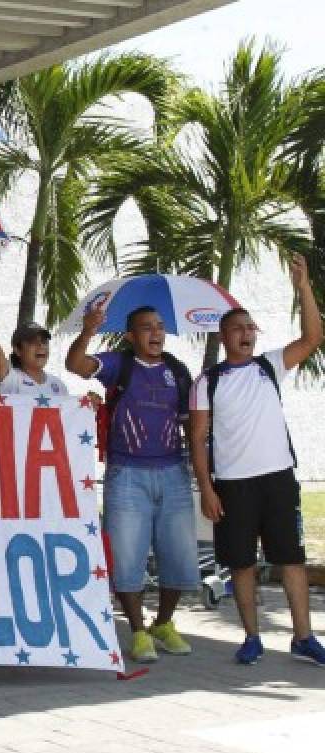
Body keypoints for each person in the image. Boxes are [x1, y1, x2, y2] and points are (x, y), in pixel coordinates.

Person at [191, 254, 325, 666]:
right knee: (242, 564)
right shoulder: (207, 383)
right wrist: (208, 490)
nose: (247, 333)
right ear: (224, 335)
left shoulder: (270, 366)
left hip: (279, 481)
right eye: (238, 329)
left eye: (251, 327)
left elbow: (313, 337)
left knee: (292, 559)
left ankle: (303, 638)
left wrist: (303, 286)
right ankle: (252, 638)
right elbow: (196, 439)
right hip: (233, 485)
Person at [66, 304, 199, 662]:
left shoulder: (177, 370)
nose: (155, 333)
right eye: (146, 327)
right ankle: (139, 632)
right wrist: (88, 330)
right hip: (126, 474)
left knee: (180, 555)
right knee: (126, 557)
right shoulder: (117, 365)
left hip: (174, 473)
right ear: (130, 336)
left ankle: (164, 624)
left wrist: (201, 470)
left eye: (159, 327)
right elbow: (75, 365)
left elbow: (191, 424)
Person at [0, 305, 69, 396]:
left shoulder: (59, 386)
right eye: (32, 341)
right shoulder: (11, 380)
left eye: (44, 341)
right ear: (17, 349)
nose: (41, 345)